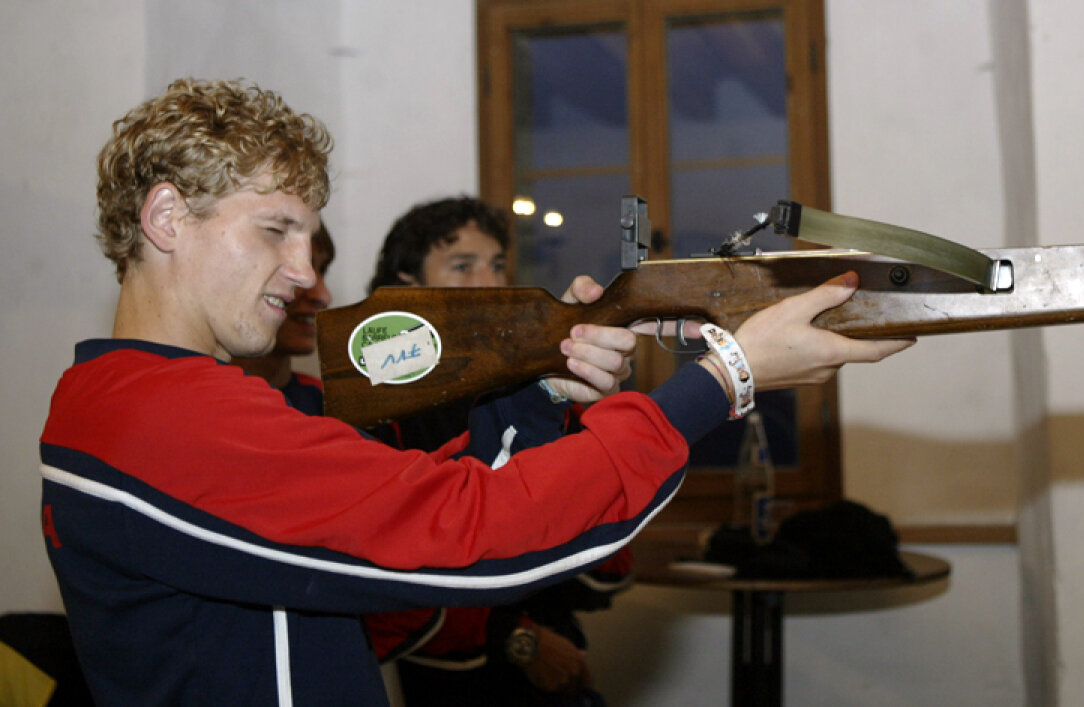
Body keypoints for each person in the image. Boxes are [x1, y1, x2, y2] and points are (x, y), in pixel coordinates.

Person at [38, 77, 912, 706]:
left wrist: (543, 393)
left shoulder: (137, 400)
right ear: (165, 218)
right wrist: (723, 379)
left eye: (309, 238)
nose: (306, 273)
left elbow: (390, 566)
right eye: (277, 230)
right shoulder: (162, 414)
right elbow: (469, 534)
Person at [364, 197, 624, 706]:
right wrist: (517, 637)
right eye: (463, 266)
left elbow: (594, 554)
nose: (491, 281)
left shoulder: (520, 381)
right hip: (450, 678)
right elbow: (401, 566)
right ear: (407, 283)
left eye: (498, 264)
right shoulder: (380, 401)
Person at [230, 221, 335, 415]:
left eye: (322, 270)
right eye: (295, 267)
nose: (323, 296)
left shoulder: (328, 405)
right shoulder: (193, 403)